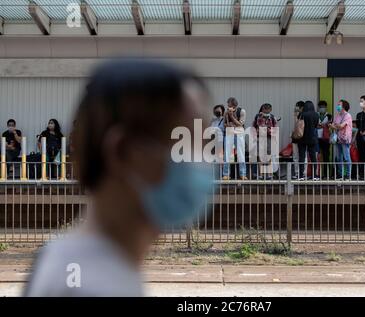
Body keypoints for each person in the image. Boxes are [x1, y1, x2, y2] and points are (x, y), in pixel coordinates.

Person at [25, 59, 213, 297]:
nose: (203, 165)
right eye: (184, 147)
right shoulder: (93, 288)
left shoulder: (66, 259)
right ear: (122, 152)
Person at [293, 101, 319, 180]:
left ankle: (301, 175)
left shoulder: (302, 114)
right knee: (313, 157)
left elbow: (297, 124)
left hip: (302, 138)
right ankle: (315, 175)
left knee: (302, 157)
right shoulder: (316, 115)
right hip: (312, 138)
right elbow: (315, 125)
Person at [223, 97, 247, 180]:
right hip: (229, 131)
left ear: (234, 105)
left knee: (241, 152)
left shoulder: (242, 111)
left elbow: (240, 124)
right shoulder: (226, 112)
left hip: (239, 132)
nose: (228, 106)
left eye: (229, 104)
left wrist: (231, 116)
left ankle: (243, 173)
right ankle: (226, 174)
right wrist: (228, 124)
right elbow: (224, 124)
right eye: (228, 104)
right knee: (227, 153)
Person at [252, 103, 278, 180]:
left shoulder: (272, 117)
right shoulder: (258, 116)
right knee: (260, 156)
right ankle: (261, 174)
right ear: (262, 109)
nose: (266, 111)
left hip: (269, 138)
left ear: (270, 109)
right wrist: (254, 137)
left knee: (269, 155)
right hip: (260, 137)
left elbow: (275, 128)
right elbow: (254, 127)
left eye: (268, 109)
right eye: (265, 109)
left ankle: (269, 174)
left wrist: (270, 132)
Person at [331, 100, 353, 180]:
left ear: (344, 106)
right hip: (338, 139)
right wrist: (336, 126)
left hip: (344, 139)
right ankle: (340, 175)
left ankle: (348, 175)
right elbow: (333, 125)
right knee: (338, 157)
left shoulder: (348, 116)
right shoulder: (337, 115)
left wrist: (336, 126)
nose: (338, 106)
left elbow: (341, 126)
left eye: (339, 105)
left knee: (346, 157)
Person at [317, 100, 332, 178]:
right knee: (317, 156)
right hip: (317, 138)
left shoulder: (329, 115)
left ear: (326, 107)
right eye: (320, 107)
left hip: (326, 139)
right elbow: (314, 125)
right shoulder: (316, 115)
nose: (322, 108)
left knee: (326, 156)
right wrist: (323, 125)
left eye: (323, 107)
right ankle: (317, 174)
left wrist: (323, 125)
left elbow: (330, 125)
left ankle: (326, 174)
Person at [292, 101, 304, 178]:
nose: (297, 108)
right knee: (295, 156)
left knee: (303, 157)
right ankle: (297, 173)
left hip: (302, 138)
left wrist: (296, 117)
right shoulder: (296, 115)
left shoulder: (304, 115)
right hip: (295, 138)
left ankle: (303, 173)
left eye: (298, 107)